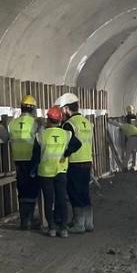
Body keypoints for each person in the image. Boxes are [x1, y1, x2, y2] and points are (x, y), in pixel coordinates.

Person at [31, 106, 78, 238]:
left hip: (45, 173)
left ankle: (51, 227)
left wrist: (33, 169)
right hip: (61, 171)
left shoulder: (41, 135)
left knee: (48, 200)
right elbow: (77, 144)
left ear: (48, 120)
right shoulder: (66, 134)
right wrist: (67, 153)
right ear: (60, 119)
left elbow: (35, 156)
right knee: (61, 199)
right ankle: (63, 228)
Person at [56, 93, 94, 233]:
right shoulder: (86, 122)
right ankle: (88, 223)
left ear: (66, 109)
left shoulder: (69, 124)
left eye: (62, 110)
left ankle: (79, 224)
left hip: (74, 163)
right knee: (85, 193)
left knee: (74, 193)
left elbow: (66, 144)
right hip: (87, 161)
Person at [5, 94, 40, 230]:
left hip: (18, 162)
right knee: (32, 190)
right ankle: (30, 220)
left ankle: (24, 221)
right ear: (33, 109)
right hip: (32, 161)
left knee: (22, 190)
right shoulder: (35, 123)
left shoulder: (12, 123)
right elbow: (42, 140)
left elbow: (4, 137)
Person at [121, 104, 137, 171]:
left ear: (127, 111)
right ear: (132, 110)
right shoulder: (136, 117)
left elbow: (123, 127)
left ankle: (125, 167)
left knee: (128, 152)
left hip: (131, 137)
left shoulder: (126, 118)